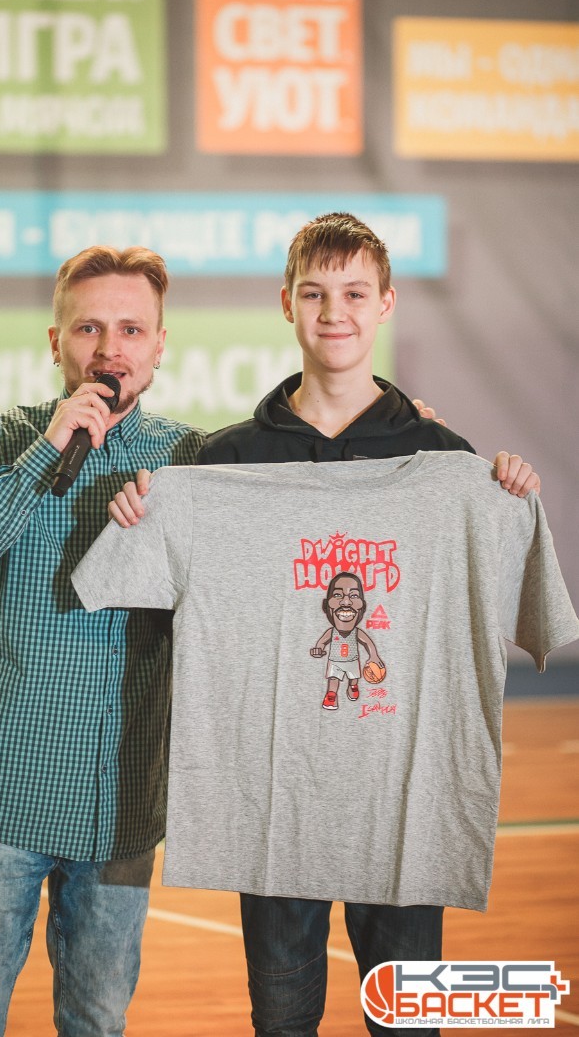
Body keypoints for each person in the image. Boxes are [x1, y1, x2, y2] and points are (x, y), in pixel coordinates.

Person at [107, 212, 542, 1037]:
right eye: (313, 294)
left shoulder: (447, 462)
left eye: (353, 294)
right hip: (270, 809)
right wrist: (141, 516)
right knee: (281, 1024)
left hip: (405, 807)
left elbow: (518, 613)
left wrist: (506, 496)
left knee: (409, 1025)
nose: (333, 311)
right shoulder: (224, 466)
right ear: (286, 304)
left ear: (385, 305)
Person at [0, 245, 205, 1037]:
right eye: (88, 328)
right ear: (56, 343)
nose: (110, 348)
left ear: (158, 345)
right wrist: (45, 453)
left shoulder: (191, 460)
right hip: (0, 793)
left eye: (131, 329)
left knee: (96, 1021)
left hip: (119, 803)